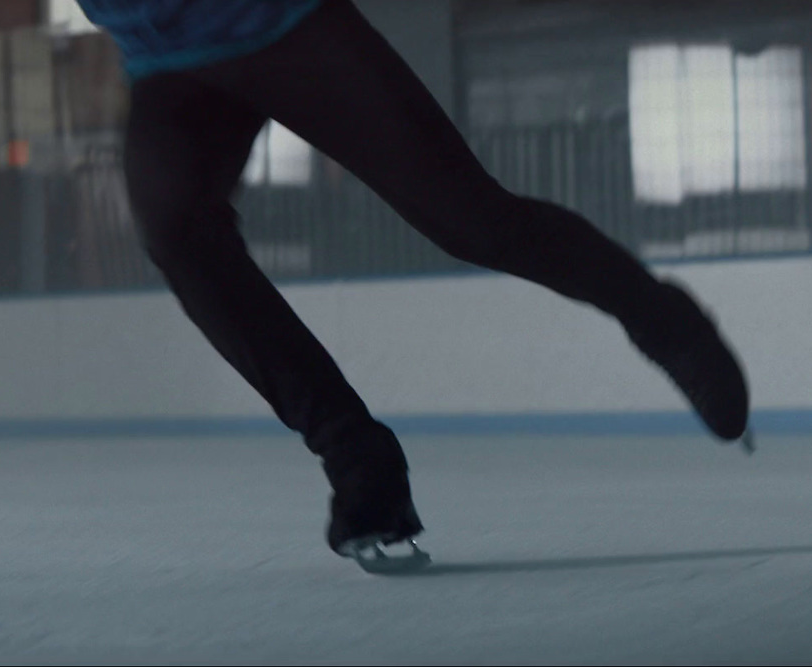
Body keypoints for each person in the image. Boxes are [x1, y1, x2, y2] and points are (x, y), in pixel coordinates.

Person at [72, 0, 751, 564]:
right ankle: (357, 459)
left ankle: (666, 322)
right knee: (178, 235)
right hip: (165, 59)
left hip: (284, 21)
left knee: (471, 221)